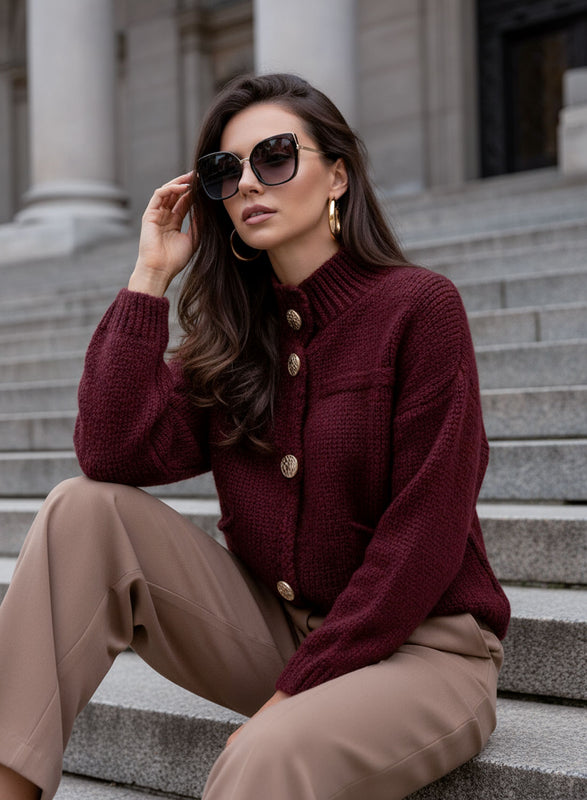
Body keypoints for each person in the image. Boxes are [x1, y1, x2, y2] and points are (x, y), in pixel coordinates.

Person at [0, 72, 510, 800]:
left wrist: (290, 695)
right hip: (278, 628)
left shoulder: (417, 308)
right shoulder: (237, 338)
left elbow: (423, 539)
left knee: (262, 757)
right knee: (81, 510)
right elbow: (111, 454)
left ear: (336, 175)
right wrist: (149, 274)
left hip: (422, 652)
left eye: (274, 157)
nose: (247, 184)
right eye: (223, 170)